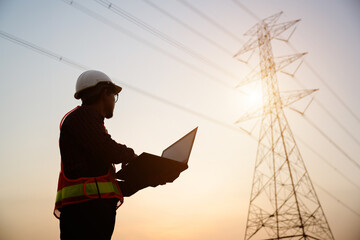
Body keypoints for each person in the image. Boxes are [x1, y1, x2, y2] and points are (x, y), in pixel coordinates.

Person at [53, 70, 137, 240]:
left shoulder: (89, 124)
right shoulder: (83, 117)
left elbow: (97, 181)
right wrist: (131, 155)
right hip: (84, 217)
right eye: (113, 95)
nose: (114, 101)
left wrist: (145, 177)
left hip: (88, 214)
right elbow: (107, 149)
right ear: (105, 93)